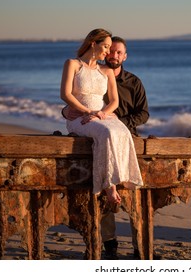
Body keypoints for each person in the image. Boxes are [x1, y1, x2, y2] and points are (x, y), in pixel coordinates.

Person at [60, 29, 143, 243]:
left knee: (121, 131)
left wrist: (102, 113)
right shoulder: (72, 64)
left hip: (101, 115)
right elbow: (65, 94)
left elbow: (114, 101)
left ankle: (127, 176)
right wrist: (86, 112)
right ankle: (109, 186)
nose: (108, 52)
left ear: (124, 56)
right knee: (106, 133)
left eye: (113, 50)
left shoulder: (108, 72)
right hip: (81, 118)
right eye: (106, 47)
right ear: (93, 43)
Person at [100, 36, 149, 259]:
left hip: (129, 141)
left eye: (119, 53)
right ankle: (109, 245)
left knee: (133, 193)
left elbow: (144, 113)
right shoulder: (96, 77)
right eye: (112, 51)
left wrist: (121, 123)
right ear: (105, 52)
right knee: (103, 190)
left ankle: (139, 247)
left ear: (125, 56)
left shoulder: (134, 82)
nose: (115, 56)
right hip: (102, 141)